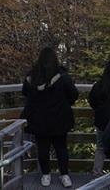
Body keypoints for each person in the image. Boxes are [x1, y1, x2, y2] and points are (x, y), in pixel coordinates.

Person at [21, 47, 79, 188]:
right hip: (59, 118)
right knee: (61, 148)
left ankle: (46, 175)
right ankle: (64, 175)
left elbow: (25, 93)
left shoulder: (32, 76)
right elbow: (73, 94)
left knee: (43, 148)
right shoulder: (62, 75)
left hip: (39, 120)